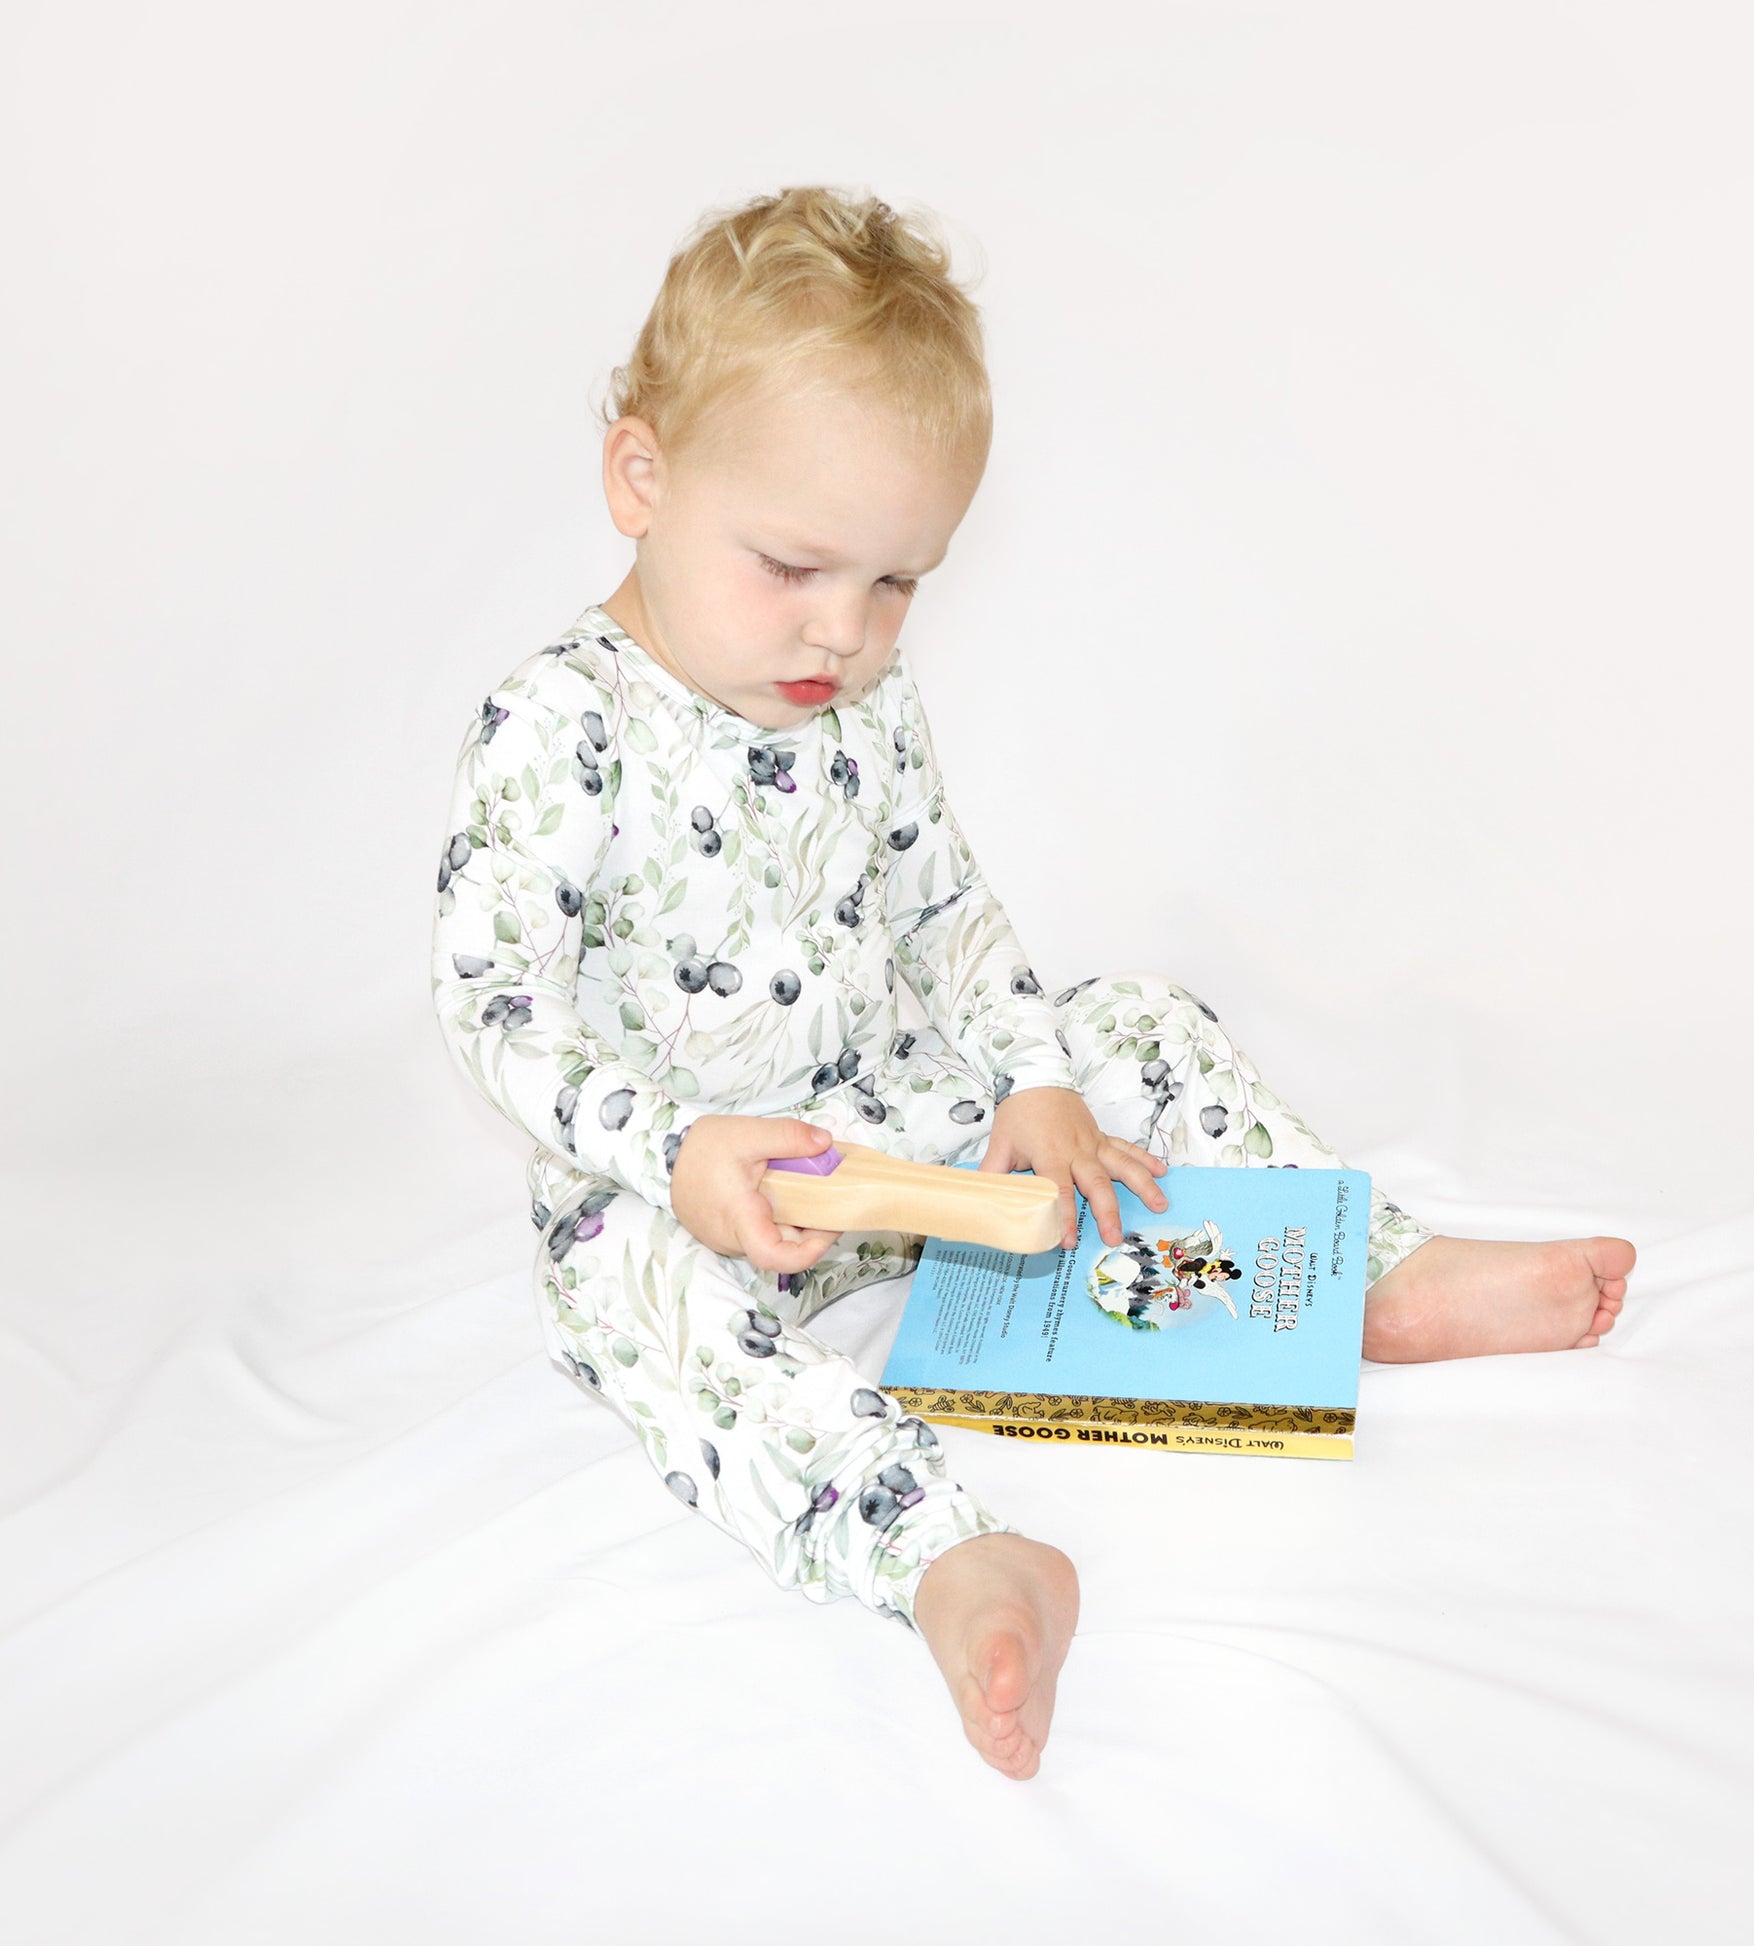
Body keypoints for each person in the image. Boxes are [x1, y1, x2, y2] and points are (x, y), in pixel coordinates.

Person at [429, 185, 1635, 1783]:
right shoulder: (556, 728)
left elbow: (942, 903)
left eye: (895, 583)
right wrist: (672, 1154)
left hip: (892, 1142)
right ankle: (946, 1553)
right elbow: (495, 1004)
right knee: (616, 1288)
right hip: (704, 1181)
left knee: (1127, 1015)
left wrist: (1030, 1077)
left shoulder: (858, 688)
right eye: (794, 564)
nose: (843, 630)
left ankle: (1366, 1271)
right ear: (639, 477)